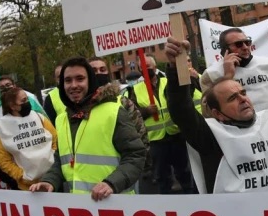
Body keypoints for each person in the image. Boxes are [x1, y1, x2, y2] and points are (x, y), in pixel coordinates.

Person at [164, 38, 268, 193]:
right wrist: (177, 67)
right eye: (233, 98)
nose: (243, 99)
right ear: (218, 114)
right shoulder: (211, 137)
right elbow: (181, 109)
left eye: (243, 93)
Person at [30, 57, 146, 199]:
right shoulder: (61, 119)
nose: (73, 85)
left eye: (80, 79)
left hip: (115, 202)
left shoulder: (113, 112)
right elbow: (62, 160)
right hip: (81, 206)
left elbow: (135, 155)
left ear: (90, 81)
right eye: (68, 80)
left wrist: (111, 183)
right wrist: (49, 180)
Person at [200, 27, 268, 161]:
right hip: (241, 148)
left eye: (247, 42)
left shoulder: (267, 66)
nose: (245, 47)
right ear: (225, 49)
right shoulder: (212, 75)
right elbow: (208, 112)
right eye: (238, 44)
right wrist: (228, 76)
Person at [128, 55, 197, 194]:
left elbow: (183, 97)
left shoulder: (168, 81)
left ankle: (191, 196)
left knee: (184, 171)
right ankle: (165, 201)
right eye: (142, 68)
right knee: (161, 176)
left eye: (148, 66)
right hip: (156, 140)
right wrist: (146, 111)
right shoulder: (135, 90)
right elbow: (131, 113)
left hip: (175, 134)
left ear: (155, 67)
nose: (145, 70)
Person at [89, 56, 151, 191]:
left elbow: (140, 133)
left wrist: (140, 164)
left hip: (124, 173)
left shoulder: (122, 102)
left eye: (102, 69)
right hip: (91, 178)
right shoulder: (80, 107)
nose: (99, 73)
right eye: (94, 70)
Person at [0, 88, 57, 191]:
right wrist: (22, 176)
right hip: (28, 188)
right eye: (23, 101)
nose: (27, 102)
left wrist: (53, 162)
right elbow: (3, 161)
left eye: (27, 99)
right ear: (13, 106)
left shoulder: (38, 117)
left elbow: (55, 140)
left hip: (52, 179)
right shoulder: (5, 127)